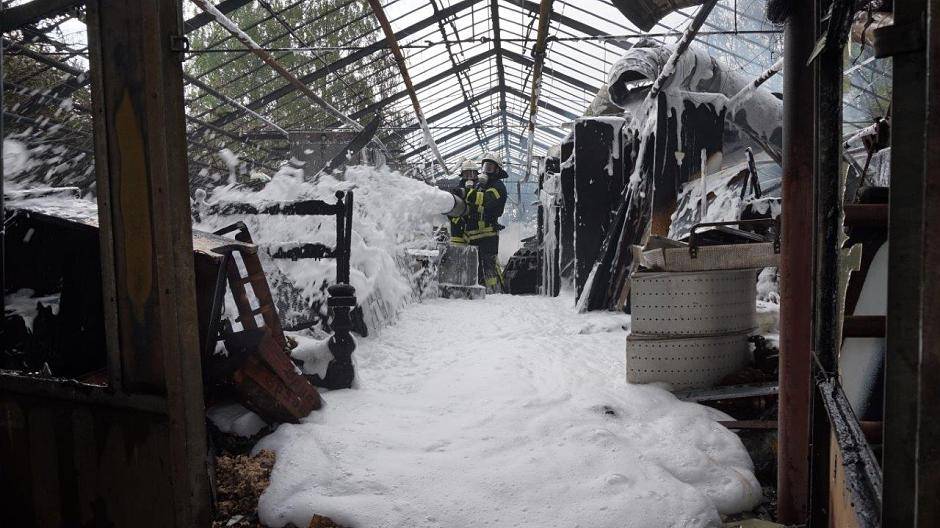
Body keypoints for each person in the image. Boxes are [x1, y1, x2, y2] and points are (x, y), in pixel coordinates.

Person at [464, 151, 508, 292]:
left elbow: (487, 201)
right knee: (474, 267)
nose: (486, 171)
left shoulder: (498, 186)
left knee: (490, 267)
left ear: (497, 170)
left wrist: (468, 194)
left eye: (490, 168)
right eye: (485, 167)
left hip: (488, 235)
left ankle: (495, 292)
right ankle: (478, 291)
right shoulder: (478, 186)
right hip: (473, 235)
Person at [447, 159, 479, 245]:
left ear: (476, 175)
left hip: (475, 232)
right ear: (462, 175)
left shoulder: (480, 189)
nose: (469, 177)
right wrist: (457, 220)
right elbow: (450, 208)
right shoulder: (457, 191)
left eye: (472, 174)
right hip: (457, 232)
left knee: (474, 255)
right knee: (457, 255)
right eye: (466, 174)